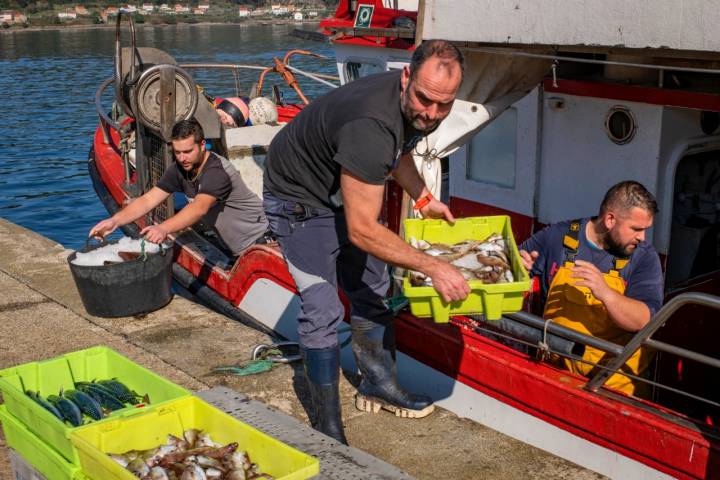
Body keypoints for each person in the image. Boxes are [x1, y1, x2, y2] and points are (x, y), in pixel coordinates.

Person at [262, 39, 469, 444]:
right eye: (426, 100)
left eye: (444, 105)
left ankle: (377, 384)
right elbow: (362, 229)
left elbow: (398, 150)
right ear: (407, 77)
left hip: (341, 192)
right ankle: (327, 426)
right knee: (321, 311)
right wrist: (433, 266)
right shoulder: (370, 124)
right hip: (298, 199)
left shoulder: (417, 106)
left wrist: (424, 197)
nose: (432, 113)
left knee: (374, 288)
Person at [519, 181, 663, 396]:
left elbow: (642, 320)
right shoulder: (557, 237)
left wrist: (605, 293)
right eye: (636, 229)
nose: (642, 238)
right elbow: (509, 267)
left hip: (613, 388)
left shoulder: (644, 257)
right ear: (610, 219)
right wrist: (518, 266)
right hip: (555, 376)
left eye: (645, 230)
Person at [90, 118, 269, 255]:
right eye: (177, 152)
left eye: (188, 151)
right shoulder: (179, 169)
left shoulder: (217, 172)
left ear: (202, 145)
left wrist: (163, 228)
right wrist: (115, 221)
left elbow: (199, 208)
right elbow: (148, 200)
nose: (182, 158)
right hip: (238, 249)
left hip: (262, 240)